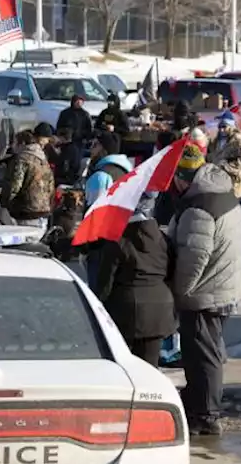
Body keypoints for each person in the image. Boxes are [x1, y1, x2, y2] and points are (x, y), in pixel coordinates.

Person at [168, 145, 241, 437]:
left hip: (205, 294)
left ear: (182, 178)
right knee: (207, 351)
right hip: (224, 287)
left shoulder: (198, 209)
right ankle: (200, 402)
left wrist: (179, 293)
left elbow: (194, 257)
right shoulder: (220, 192)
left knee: (204, 356)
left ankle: (207, 415)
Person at [94, 192, 174, 366]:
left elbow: (105, 282)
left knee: (123, 365)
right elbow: (172, 273)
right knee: (150, 367)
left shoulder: (117, 241)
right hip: (159, 309)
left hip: (124, 309)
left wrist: (96, 305)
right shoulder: (164, 239)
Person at [82, 132, 134, 286]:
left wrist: (87, 246)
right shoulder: (127, 172)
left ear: (103, 149)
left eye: (94, 145)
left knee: (96, 287)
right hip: (123, 239)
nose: (91, 150)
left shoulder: (100, 176)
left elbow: (94, 215)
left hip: (100, 244)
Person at [0, 128, 54, 230]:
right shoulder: (43, 159)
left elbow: (14, 187)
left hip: (25, 212)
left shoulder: (21, 159)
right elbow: (50, 186)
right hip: (43, 211)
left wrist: (4, 203)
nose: (13, 146)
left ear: (22, 143)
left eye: (15, 143)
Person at [208, 115, 241, 199]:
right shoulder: (216, 141)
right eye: (220, 126)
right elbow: (212, 155)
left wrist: (227, 166)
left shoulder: (238, 140)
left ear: (231, 126)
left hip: (235, 182)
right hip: (219, 180)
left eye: (224, 126)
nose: (221, 129)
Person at [55, 95, 93, 183]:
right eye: (77, 101)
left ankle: (73, 178)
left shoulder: (85, 114)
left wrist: (84, 137)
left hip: (79, 143)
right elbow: (58, 127)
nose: (79, 103)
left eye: (81, 101)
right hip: (66, 143)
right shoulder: (65, 113)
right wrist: (64, 133)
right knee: (64, 161)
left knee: (76, 163)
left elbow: (89, 130)